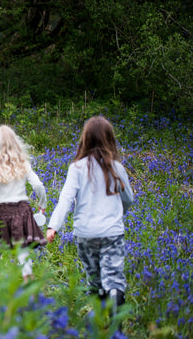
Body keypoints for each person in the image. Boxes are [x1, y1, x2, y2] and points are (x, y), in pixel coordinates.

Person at [47, 116, 133, 317]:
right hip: (112, 232)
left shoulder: (76, 167)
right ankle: (115, 320)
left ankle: (100, 315)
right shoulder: (117, 167)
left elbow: (65, 199)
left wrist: (54, 226)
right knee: (114, 279)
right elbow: (128, 198)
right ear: (110, 139)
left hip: (85, 233)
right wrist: (117, 215)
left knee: (95, 280)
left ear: (85, 139)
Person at [0, 125, 47, 282]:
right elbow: (38, 185)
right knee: (22, 247)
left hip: (2, 210)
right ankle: (27, 278)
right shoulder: (22, 163)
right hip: (23, 209)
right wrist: (42, 204)